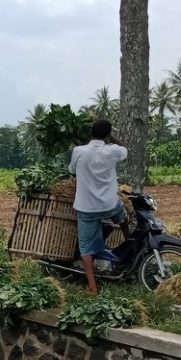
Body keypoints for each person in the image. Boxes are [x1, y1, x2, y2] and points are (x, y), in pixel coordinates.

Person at [69, 120, 132, 295]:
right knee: (123, 218)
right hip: (109, 205)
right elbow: (125, 149)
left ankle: (92, 288)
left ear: (91, 133)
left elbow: (72, 170)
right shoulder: (112, 151)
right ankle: (130, 244)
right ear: (108, 135)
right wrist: (111, 138)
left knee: (86, 249)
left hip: (86, 207)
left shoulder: (78, 151)